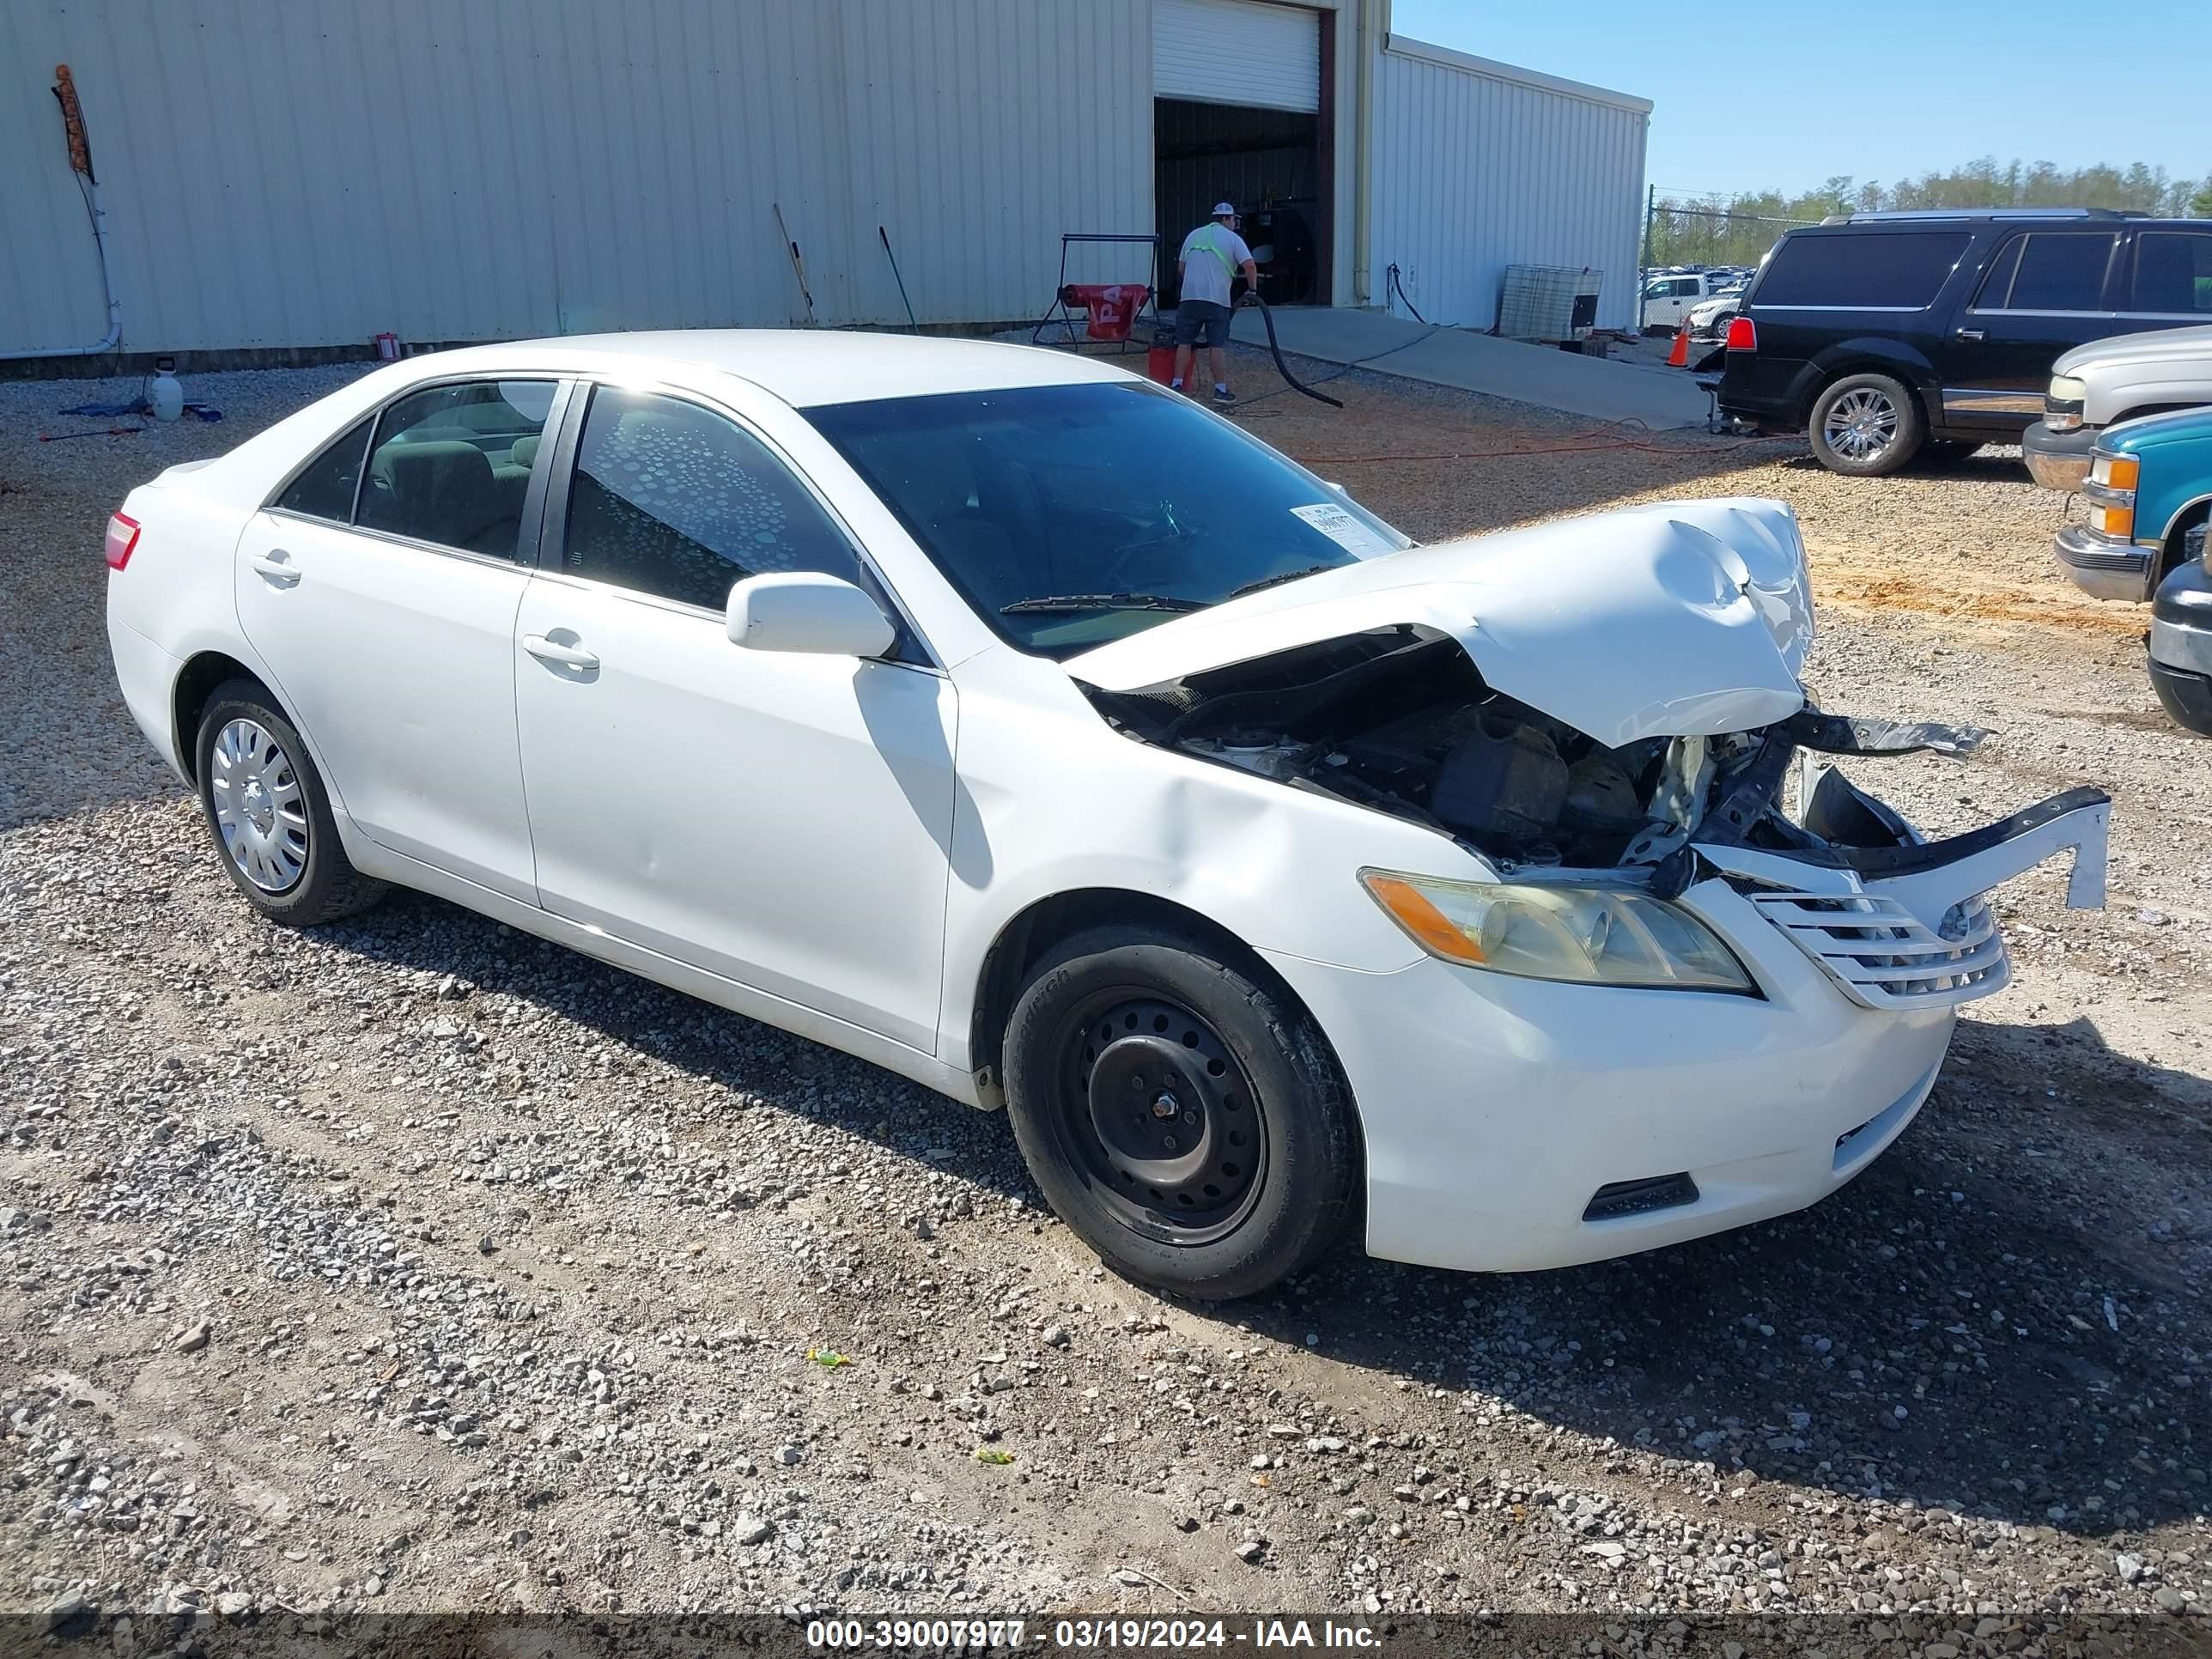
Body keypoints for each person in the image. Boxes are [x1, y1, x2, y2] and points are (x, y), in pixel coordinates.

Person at [1172, 203, 1258, 403]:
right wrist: (1252, 290)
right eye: (1234, 220)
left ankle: (1176, 385)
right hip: (1217, 300)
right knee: (1216, 345)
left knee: (1184, 343)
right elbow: (1250, 265)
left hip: (1189, 299)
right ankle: (1220, 390)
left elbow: (1181, 268)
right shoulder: (1233, 239)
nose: (1235, 224)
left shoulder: (1193, 235)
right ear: (1226, 219)